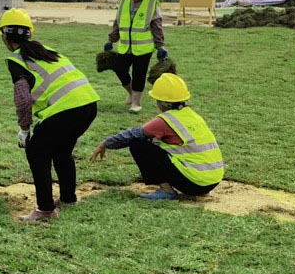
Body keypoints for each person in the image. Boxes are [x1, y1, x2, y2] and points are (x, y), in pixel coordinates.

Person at [0, 9, 99, 222]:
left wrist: (25, 129)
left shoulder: (16, 59)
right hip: (89, 104)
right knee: (62, 151)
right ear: (29, 34)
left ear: (5, 36)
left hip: (67, 109)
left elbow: (23, 99)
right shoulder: (47, 50)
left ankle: (45, 209)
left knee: (36, 151)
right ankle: (68, 198)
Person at [89, 73, 224, 200]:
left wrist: (105, 143)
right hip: (213, 180)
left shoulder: (165, 120)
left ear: (162, 102)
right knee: (154, 140)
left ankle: (166, 191)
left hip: (194, 182)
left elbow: (132, 135)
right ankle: (199, 190)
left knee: (138, 143)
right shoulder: (193, 115)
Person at [105, 0, 167, 112]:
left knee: (139, 74)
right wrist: (111, 40)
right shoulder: (124, 3)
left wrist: (160, 46)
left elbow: (157, 27)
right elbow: (118, 23)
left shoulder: (152, 4)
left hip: (144, 49)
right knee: (119, 69)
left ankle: (136, 103)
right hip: (125, 47)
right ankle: (131, 93)